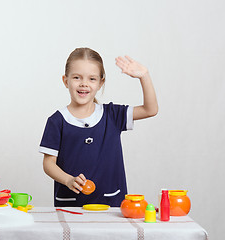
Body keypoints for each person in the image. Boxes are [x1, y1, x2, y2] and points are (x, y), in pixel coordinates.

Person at [39, 47, 158, 207]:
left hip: (111, 206)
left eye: (92, 79)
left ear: (101, 82)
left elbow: (150, 110)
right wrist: (68, 180)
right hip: (71, 207)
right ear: (65, 81)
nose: (84, 84)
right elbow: (48, 164)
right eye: (76, 77)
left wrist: (144, 76)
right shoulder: (57, 121)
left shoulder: (113, 115)